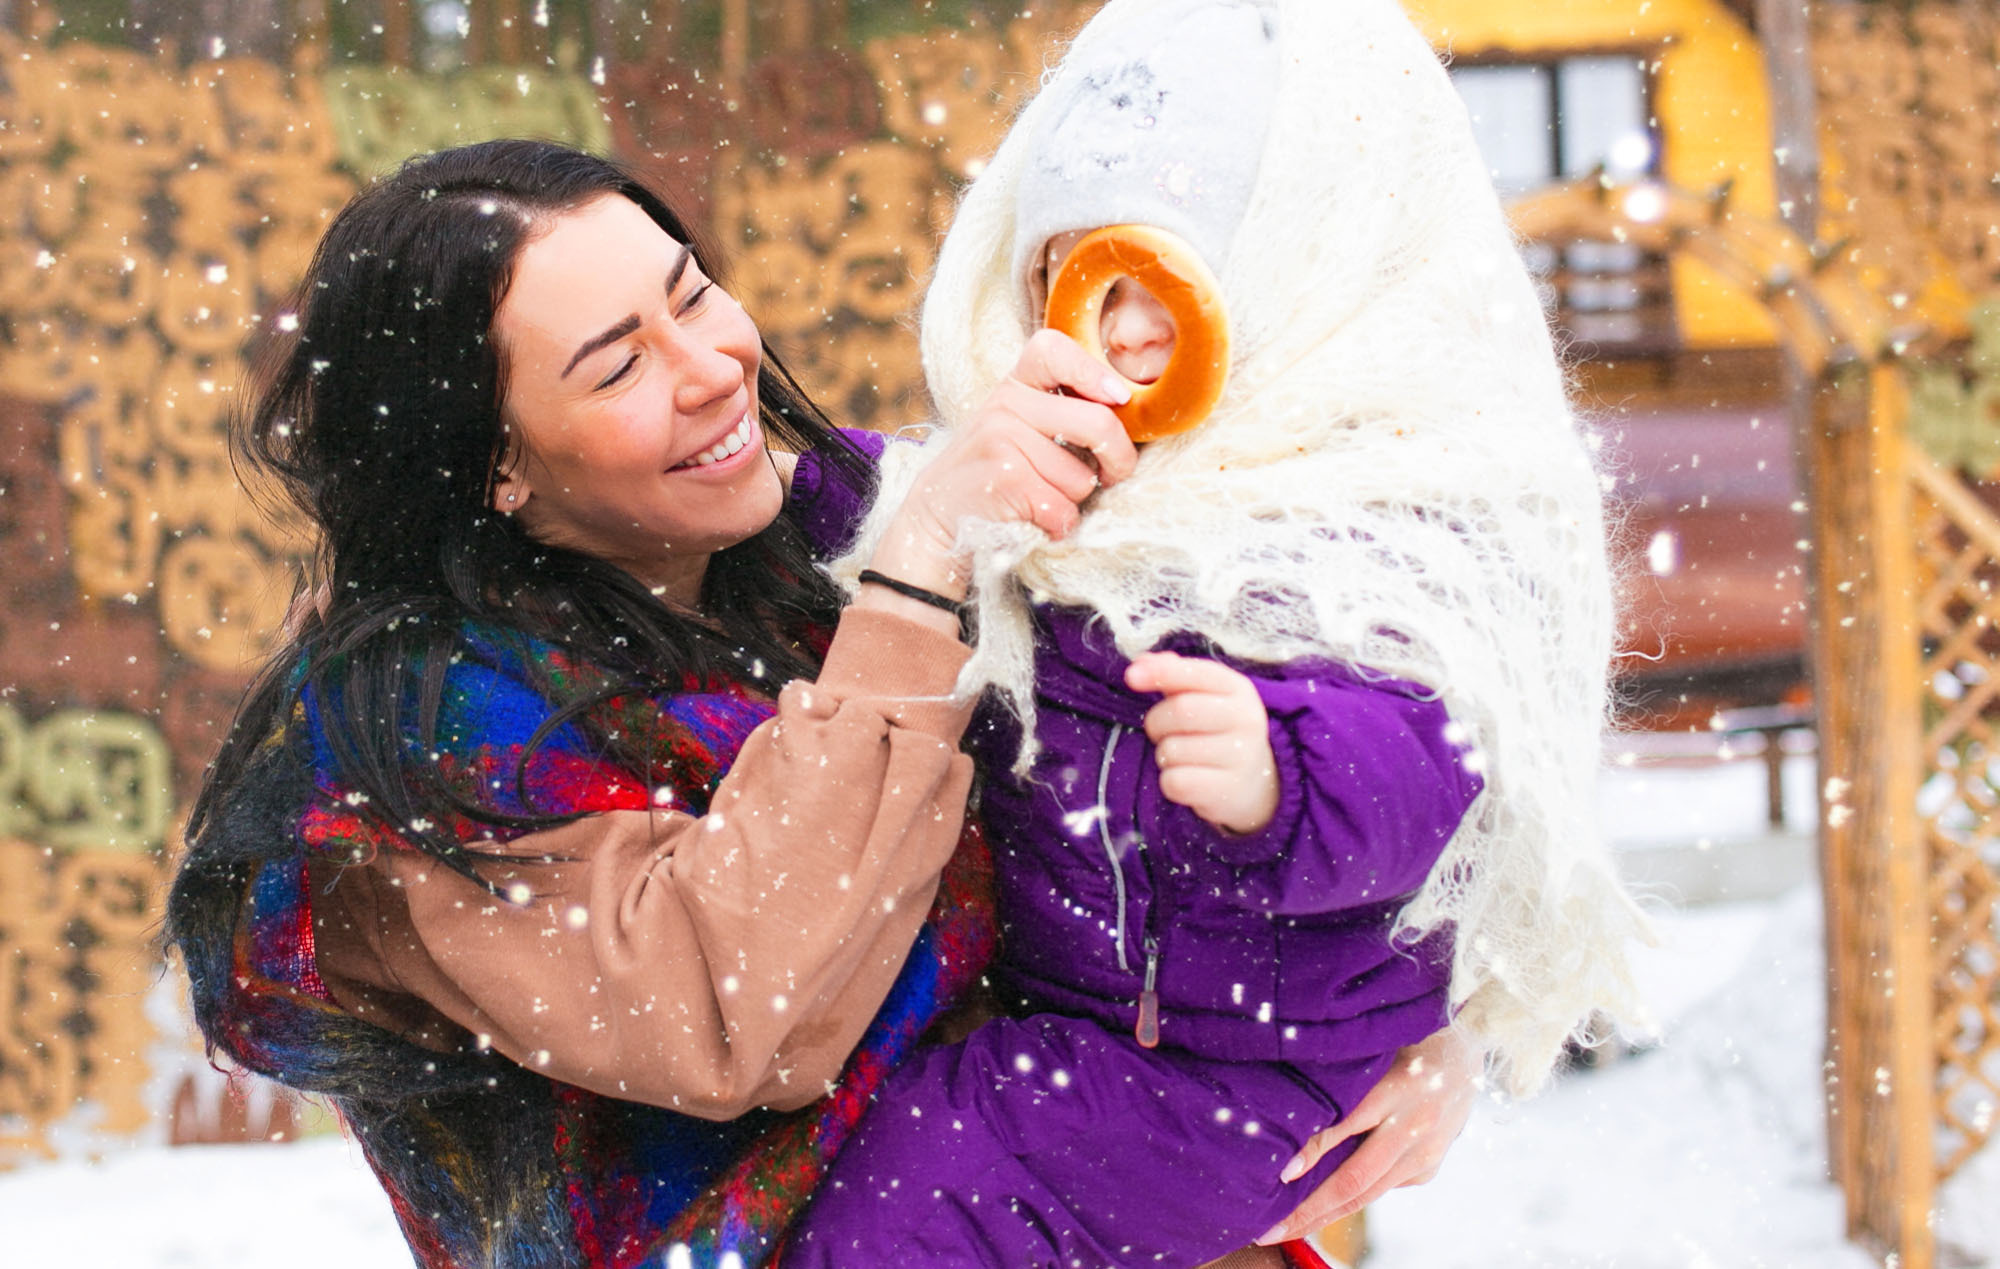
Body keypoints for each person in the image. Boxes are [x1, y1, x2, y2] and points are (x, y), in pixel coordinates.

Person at [163, 137, 1475, 1269]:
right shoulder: (400, 762)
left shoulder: (805, 551)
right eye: (620, 365)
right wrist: (919, 579)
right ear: (494, 462)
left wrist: (1388, 1022)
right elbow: (732, 1004)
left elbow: (1215, 744)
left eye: (692, 294)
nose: (714, 365)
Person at [791, 0, 1653, 1264]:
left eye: (1168, 284)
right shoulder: (1075, 482)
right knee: (909, 1163)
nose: (1124, 332)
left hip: (1242, 1076)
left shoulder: (1354, 503)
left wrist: (1282, 779)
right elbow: (894, 497)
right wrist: (815, 488)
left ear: (1277, 294)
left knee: (921, 1193)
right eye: (1081, 282)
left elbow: (1441, 755)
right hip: (1095, 1020)